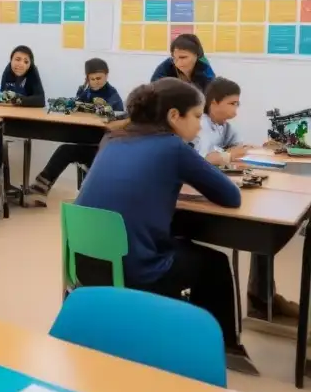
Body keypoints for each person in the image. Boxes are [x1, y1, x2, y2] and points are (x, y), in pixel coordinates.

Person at [75, 79, 253, 370]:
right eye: (196, 116)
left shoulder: (113, 137)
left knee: (179, 244)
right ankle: (225, 350)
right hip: (135, 269)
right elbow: (231, 196)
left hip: (86, 262)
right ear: (173, 116)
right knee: (215, 263)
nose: (199, 126)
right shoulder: (172, 147)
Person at [194, 78, 300, 324]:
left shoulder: (222, 125)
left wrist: (232, 153)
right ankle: (261, 298)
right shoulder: (201, 125)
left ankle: (262, 296)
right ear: (214, 102)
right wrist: (228, 155)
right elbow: (202, 157)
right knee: (261, 226)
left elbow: (236, 146)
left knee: (266, 222)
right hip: (204, 198)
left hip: (220, 184)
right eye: (232, 104)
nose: (236, 110)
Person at [28, 58, 123, 203]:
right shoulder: (86, 93)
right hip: (87, 141)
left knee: (69, 151)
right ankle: (41, 188)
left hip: (104, 147)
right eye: (93, 79)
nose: (96, 81)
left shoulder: (112, 95)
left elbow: (112, 117)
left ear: (106, 76)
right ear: (87, 79)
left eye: (100, 78)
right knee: (64, 150)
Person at [151, 33, 215, 91]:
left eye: (183, 57)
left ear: (196, 55)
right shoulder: (165, 68)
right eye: (174, 57)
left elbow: (212, 96)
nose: (177, 63)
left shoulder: (205, 71)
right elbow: (152, 92)